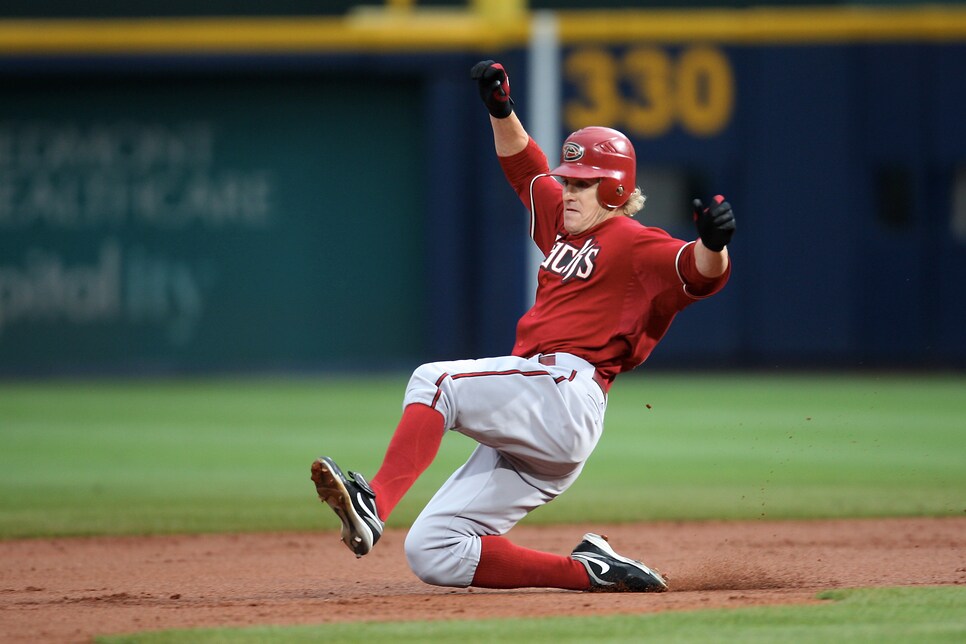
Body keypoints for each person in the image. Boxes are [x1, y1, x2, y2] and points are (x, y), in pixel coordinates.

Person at [310, 60, 735, 593]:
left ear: (614, 189)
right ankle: (591, 573)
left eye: (583, 183)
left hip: (565, 397)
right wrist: (500, 110)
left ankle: (375, 502)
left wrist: (715, 245)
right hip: (537, 420)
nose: (570, 190)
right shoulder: (566, 222)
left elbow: (698, 275)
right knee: (434, 551)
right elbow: (526, 169)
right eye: (569, 181)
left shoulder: (635, 241)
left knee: (435, 381)